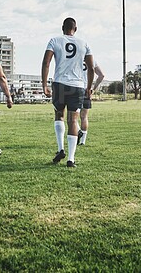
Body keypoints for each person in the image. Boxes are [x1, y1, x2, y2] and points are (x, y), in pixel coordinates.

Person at [41, 17, 94, 168]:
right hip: (77, 86)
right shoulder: (84, 43)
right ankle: (71, 159)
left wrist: (45, 84)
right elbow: (91, 68)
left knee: (59, 115)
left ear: (62, 28)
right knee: (73, 120)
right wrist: (88, 87)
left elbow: (46, 62)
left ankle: (60, 148)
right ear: (75, 29)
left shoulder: (54, 40)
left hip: (59, 84)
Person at [77, 61, 105, 145]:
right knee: (84, 117)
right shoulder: (92, 60)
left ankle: (78, 130)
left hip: (75, 88)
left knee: (72, 115)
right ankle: (83, 141)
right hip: (87, 90)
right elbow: (101, 75)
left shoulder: (75, 57)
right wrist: (93, 89)